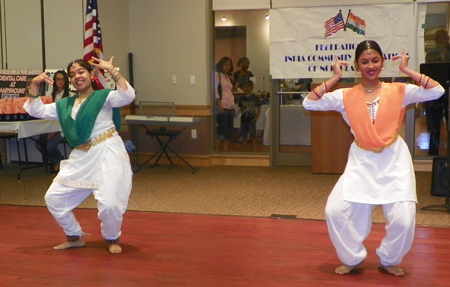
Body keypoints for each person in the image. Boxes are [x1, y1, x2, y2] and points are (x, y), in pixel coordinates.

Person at [303, 40, 444, 276]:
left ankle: (389, 259)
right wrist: (335, 77)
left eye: (375, 60)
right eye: (365, 61)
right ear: (357, 65)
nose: (371, 65)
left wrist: (407, 72)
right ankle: (352, 257)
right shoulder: (345, 95)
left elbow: (437, 90)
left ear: (382, 62)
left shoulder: (400, 90)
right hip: (362, 161)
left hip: (394, 160)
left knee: (404, 219)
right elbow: (309, 102)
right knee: (335, 211)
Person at [24, 56, 135, 254]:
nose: (77, 77)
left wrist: (112, 71)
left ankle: (111, 238)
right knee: (54, 198)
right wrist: (34, 86)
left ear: (91, 74)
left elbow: (127, 96)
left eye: (81, 72)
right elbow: (37, 110)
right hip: (82, 156)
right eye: (72, 74)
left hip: (108, 152)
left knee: (110, 204)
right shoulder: (65, 105)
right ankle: (74, 237)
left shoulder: (104, 97)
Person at [35, 70, 72, 173]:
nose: (60, 82)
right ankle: (57, 162)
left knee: (50, 146)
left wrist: (53, 131)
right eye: (58, 79)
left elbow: (67, 117)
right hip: (49, 126)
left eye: (62, 79)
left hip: (64, 128)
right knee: (38, 145)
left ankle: (59, 162)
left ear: (66, 81)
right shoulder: (50, 96)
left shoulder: (71, 96)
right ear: (54, 81)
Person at [424, 28, 450, 155]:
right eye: (439, 38)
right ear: (435, 40)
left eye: (443, 37)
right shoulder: (430, 55)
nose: (441, 40)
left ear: (448, 39)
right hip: (434, 96)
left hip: (449, 94)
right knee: (434, 127)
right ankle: (433, 155)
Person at [215, 56, 235, 151]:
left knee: (229, 129)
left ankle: (225, 150)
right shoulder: (217, 75)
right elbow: (215, 90)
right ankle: (217, 149)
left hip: (230, 105)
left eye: (229, 65)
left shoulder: (228, 77)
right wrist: (219, 104)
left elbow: (229, 91)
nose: (228, 67)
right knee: (222, 129)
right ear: (221, 65)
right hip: (222, 105)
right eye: (225, 65)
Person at [236, 80, 261, 151]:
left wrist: (256, 117)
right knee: (244, 135)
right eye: (244, 87)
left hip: (252, 119)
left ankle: (255, 149)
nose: (246, 89)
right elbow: (241, 109)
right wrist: (237, 113)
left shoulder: (255, 97)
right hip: (243, 119)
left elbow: (258, 109)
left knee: (253, 135)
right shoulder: (241, 98)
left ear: (251, 88)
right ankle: (244, 149)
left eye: (248, 87)